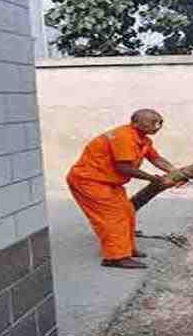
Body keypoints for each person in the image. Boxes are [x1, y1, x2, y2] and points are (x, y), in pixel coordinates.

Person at [66, 109, 186, 269]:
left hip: (106, 182)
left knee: (127, 211)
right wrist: (152, 178)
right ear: (135, 123)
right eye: (152, 122)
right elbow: (123, 167)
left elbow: (156, 158)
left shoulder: (143, 140)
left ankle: (126, 249)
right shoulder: (123, 137)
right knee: (113, 217)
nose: (157, 126)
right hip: (89, 181)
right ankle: (115, 257)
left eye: (160, 122)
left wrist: (175, 172)